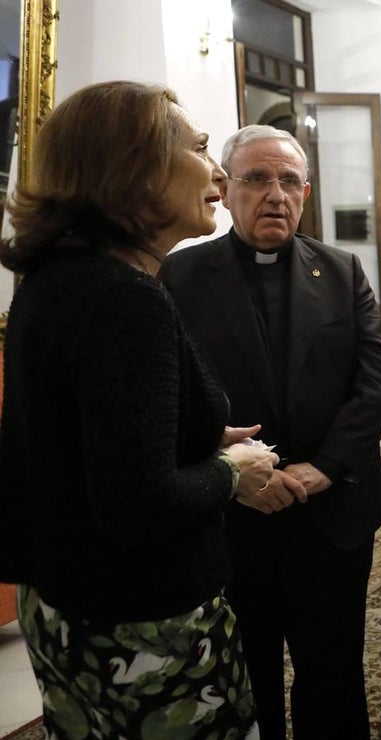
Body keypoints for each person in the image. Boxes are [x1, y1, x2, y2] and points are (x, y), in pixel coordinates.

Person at [0, 80, 278, 737]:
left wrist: (195, 443)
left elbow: (83, 448)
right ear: (135, 167)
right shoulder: (126, 300)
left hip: (66, 608)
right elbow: (138, 503)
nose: (216, 170)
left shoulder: (53, 280)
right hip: (142, 623)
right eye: (201, 147)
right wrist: (234, 470)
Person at [160, 125, 381, 740]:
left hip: (329, 511)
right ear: (227, 189)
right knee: (244, 672)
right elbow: (169, 395)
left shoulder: (342, 270)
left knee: (334, 672)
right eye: (257, 178)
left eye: (289, 181)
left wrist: (326, 466)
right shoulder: (178, 276)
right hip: (233, 517)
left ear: (306, 192)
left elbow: (375, 380)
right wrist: (234, 467)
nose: (275, 194)